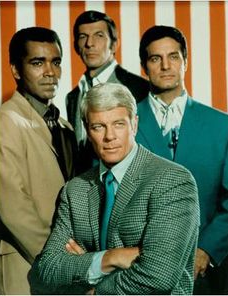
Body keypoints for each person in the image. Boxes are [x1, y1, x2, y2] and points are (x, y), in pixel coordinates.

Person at [29, 82, 199, 295]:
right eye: (98, 127)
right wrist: (111, 258)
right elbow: (47, 269)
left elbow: (159, 275)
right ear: (87, 130)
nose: (109, 136)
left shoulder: (172, 180)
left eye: (118, 124)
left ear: (134, 125)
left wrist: (94, 289)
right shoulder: (75, 191)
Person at [136, 25, 228, 295]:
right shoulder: (121, 124)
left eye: (173, 56)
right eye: (156, 59)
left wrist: (207, 249)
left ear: (185, 62)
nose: (166, 66)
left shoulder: (222, 125)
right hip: (140, 267)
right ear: (144, 67)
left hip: (206, 273)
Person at [0, 27, 79, 295]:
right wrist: (59, 259)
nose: (50, 72)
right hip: (27, 265)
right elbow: (12, 207)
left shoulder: (65, 127)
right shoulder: (5, 121)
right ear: (16, 70)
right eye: (37, 63)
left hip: (66, 267)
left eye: (56, 62)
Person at [66, 10, 150, 168]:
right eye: (83, 36)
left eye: (99, 35)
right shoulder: (73, 96)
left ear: (114, 44)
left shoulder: (139, 88)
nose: (89, 43)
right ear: (76, 45)